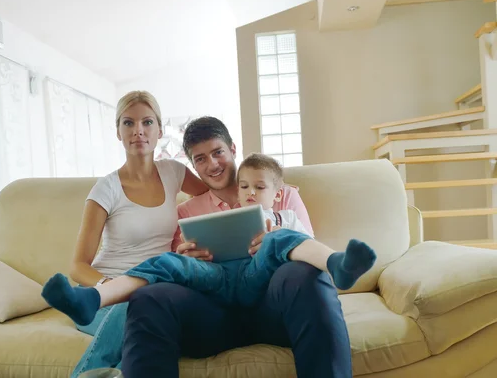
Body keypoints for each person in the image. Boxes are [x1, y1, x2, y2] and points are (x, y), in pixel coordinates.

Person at [120, 116, 357, 378]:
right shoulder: (186, 212)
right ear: (194, 165)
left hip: (274, 309)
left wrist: (277, 235)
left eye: (218, 152)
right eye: (200, 159)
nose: (212, 164)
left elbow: (307, 249)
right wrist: (189, 257)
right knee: (149, 298)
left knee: (306, 274)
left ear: (232, 149)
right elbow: (179, 271)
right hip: (213, 317)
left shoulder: (283, 194)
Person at [41, 153, 376, 321]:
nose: (248, 192)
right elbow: (183, 256)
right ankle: (93, 300)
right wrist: (189, 253)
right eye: (244, 187)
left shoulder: (285, 216)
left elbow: (303, 245)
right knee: (168, 262)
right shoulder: (207, 211)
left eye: (259, 188)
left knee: (279, 240)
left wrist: (279, 233)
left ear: (278, 194)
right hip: (217, 277)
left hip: (256, 279)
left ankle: (338, 264)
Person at [45, 90, 209, 377]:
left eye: (147, 123)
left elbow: (215, 194)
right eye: (128, 123)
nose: (138, 132)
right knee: (136, 310)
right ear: (118, 132)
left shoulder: (174, 172)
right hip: (104, 299)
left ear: (159, 130)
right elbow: (78, 266)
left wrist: (263, 191)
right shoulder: (105, 189)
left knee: (145, 321)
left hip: (154, 291)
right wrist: (112, 287)